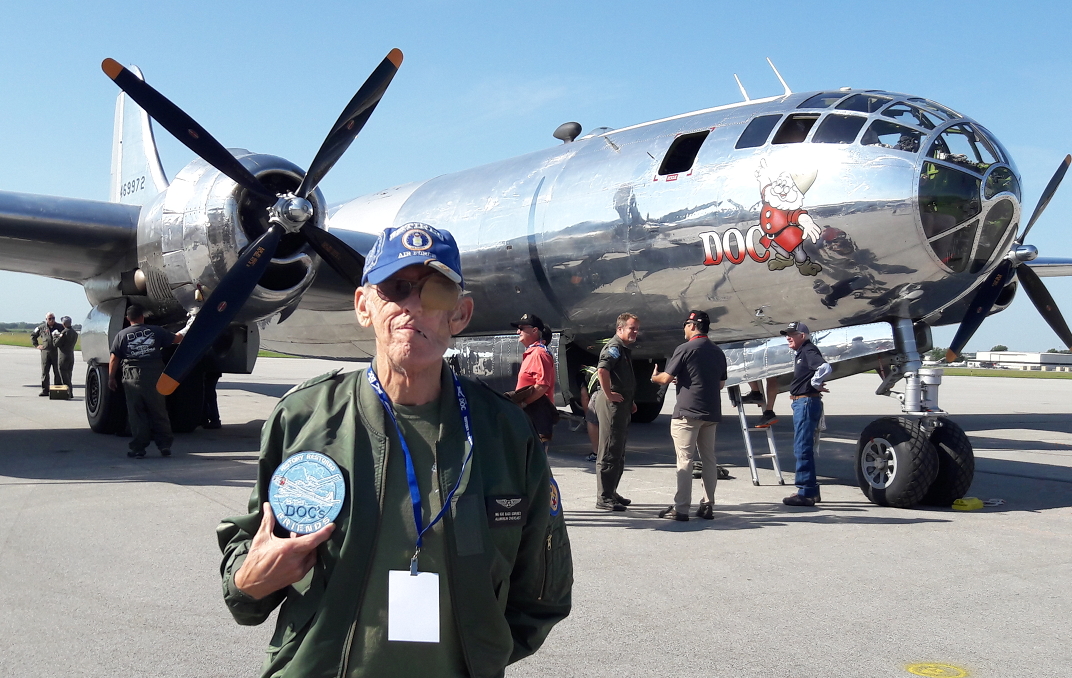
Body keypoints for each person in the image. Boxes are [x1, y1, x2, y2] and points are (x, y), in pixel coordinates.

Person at [217, 222, 572, 678]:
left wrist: (481, 652)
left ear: (460, 315)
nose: (413, 306)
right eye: (394, 288)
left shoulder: (503, 430)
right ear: (365, 306)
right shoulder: (303, 417)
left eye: (435, 292)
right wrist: (249, 582)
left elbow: (542, 588)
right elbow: (251, 555)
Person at [650, 310, 727, 521]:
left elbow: (665, 378)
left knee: (685, 459)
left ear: (692, 326)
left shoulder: (684, 349)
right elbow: (720, 383)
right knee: (709, 459)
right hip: (711, 412)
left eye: (686, 324)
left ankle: (681, 508)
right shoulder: (717, 352)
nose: (684, 328)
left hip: (687, 412)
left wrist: (655, 377)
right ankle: (708, 504)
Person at [108, 304, 185, 458]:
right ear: (142, 316)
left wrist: (111, 378)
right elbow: (176, 339)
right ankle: (164, 445)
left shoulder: (122, 335)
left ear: (127, 319)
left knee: (137, 413)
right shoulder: (155, 331)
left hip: (132, 376)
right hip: (154, 376)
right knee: (158, 411)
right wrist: (189, 327)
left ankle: (139, 448)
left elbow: (114, 358)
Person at [781, 321, 832, 507]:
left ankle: (805, 492)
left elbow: (825, 367)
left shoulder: (808, 350)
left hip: (805, 401)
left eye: (792, 334)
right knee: (804, 445)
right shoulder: (802, 352)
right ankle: (811, 490)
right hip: (802, 401)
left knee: (802, 446)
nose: (788, 337)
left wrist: (816, 383)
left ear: (802, 335)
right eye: (786, 334)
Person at [592, 312, 639, 511]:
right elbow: (602, 370)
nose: (636, 332)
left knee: (618, 451)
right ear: (620, 329)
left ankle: (611, 491)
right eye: (632, 328)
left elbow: (622, 377)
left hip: (622, 404)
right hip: (613, 405)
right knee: (610, 450)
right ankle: (603, 497)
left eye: (637, 328)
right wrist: (609, 394)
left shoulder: (623, 348)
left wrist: (631, 400)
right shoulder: (614, 347)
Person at [508, 313, 558, 450]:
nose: (518, 332)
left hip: (535, 415)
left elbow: (542, 386)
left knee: (534, 462)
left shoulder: (539, 354)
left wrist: (523, 403)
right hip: (530, 414)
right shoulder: (533, 353)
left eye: (522, 328)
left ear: (535, 330)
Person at [30, 312, 62, 396]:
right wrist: (36, 345)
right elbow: (33, 335)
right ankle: (45, 390)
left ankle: (57, 390)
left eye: (53, 318)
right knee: (45, 372)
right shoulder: (41, 327)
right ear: (46, 319)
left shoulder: (60, 327)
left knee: (57, 372)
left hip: (56, 352)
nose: (52, 320)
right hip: (45, 352)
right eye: (50, 319)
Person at [55, 316, 79, 393]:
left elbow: (56, 344)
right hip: (71, 355)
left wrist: (55, 337)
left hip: (63, 356)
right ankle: (69, 392)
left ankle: (68, 391)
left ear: (64, 324)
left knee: (63, 374)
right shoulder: (75, 333)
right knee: (69, 374)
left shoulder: (64, 332)